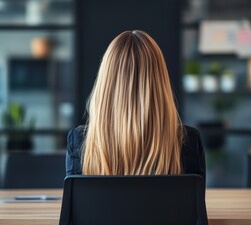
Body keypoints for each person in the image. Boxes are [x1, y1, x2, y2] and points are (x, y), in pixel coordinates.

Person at [66, 30, 205, 182]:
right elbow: (193, 204)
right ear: (160, 84)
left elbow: (77, 205)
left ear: (105, 86)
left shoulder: (79, 142)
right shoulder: (188, 141)